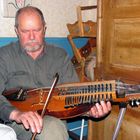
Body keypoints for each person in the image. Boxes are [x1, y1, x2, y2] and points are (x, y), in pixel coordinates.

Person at [0, 6, 111, 140]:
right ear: (17, 31)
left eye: (37, 30)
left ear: (44, 29)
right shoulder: (4, 56)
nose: (31, 37)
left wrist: (89, 110)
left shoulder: (59, 56)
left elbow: (74, 95)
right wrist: (16, 114)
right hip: (18, 123)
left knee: (52, 128)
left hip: (53, 122)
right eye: (25, 31)